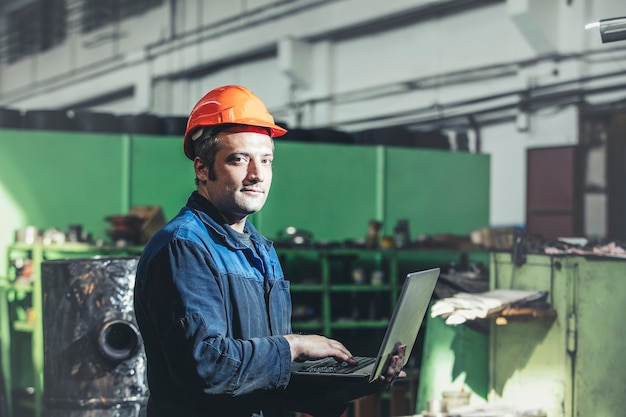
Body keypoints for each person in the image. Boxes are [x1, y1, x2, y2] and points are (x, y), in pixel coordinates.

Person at [133, 85, 405, 417]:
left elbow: (264, 381)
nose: (257, 175)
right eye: (239, 159)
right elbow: (207, 366)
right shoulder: (184, 247)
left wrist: (360, 382)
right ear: (202, 169)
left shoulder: (262, 251)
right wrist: (294, 346)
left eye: (266, 160)